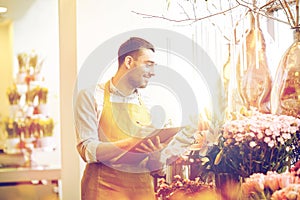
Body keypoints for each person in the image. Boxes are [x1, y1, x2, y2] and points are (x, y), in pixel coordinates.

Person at [74, 37, 166, 200]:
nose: (153, 72)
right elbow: (87, 150)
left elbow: (156, 169)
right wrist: (129, 144)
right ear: (129, 62)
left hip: (142, 192)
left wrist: (157, 155)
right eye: (148, 64)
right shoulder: (91, 96)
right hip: (103, 190)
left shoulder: (150, 103)